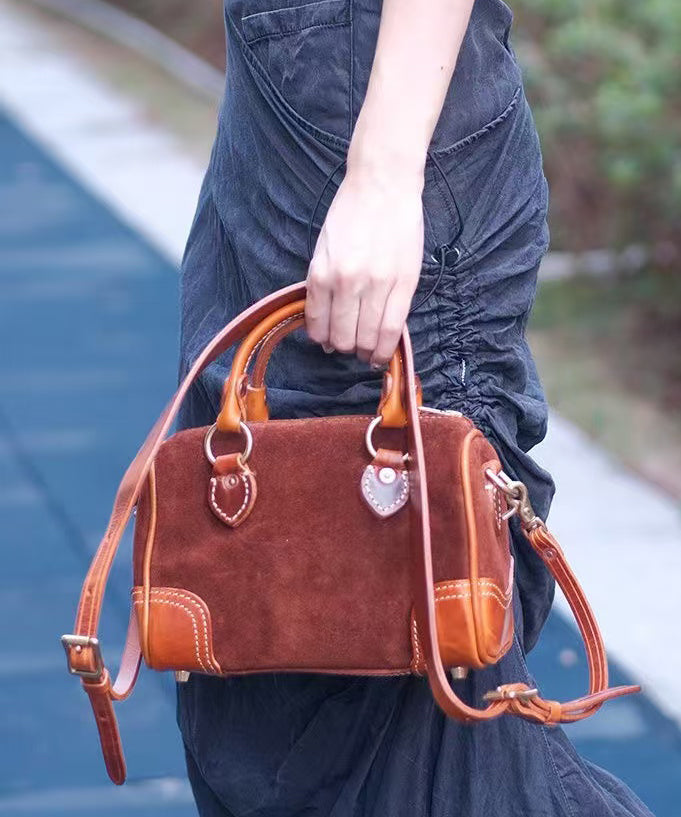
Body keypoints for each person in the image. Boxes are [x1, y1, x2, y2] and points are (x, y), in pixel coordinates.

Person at [176, 0, 653, 814]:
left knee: (405, 718)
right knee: (260, 656)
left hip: (367, 118)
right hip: (283, 112)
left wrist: (384, 174)